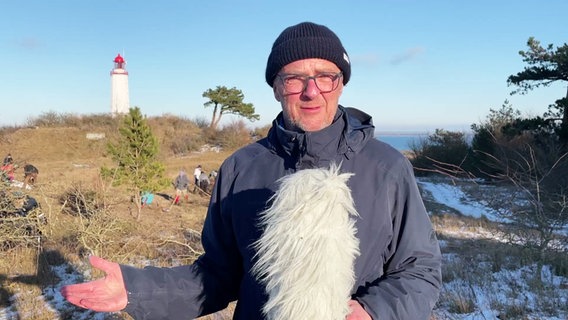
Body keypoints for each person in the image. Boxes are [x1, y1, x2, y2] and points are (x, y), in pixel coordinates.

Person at [61, 21, 442, 319]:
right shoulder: (240, 168)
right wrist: (138, 290)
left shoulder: (387, 167)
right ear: (276, 88)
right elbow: (217, 276)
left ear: (340, 84)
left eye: (325, 76)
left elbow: (419, 269)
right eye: (294, 79)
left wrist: (371, 312)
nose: (311, 92)